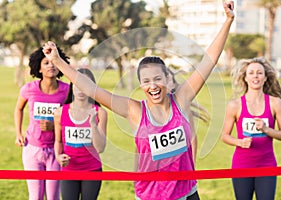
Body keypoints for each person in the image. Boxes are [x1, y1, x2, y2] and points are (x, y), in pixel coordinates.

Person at [42, 1, 234, 199]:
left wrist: (228, 21)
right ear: (140, 85)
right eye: (146, 81)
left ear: (168, 80)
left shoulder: (182, 98)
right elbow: (91, 87)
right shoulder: (134, 110)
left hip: (186, 192)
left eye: (158, 79)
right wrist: (58, 62)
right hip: (151, 194)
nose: (153, 85)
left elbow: (208, 60)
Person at [221, 57, 281, 200]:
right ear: (245, 78)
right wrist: (239, 142)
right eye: (251, 73)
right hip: (242, 165)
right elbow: (225, 135)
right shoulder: (235, 105)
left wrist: (266, 129)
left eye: (259, 73)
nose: (255, 76)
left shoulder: (276, 103)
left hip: (267, 164)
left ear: (265, 78)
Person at [14, 46, 70, 200]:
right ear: (38, 67)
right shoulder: (29, 89)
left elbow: (73, 119)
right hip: (32, 149)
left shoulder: (67, 91)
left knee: (53, 197)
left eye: (54, 62)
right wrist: (18, 133)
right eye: (46, 63)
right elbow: (18, 109)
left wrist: (55, 126)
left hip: (56, 151)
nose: (51, 65)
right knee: (36, 197)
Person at [54, 68, 107, 200]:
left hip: (92, 170)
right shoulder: (60, 112)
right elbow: (58, 141)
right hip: (68, 171)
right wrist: (58, 156)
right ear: (72, 85)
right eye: (78, 84)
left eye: (85, 85)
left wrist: (93, 124)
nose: (81, 89)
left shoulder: (100, 113)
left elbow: (100, 148)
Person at [167, 68, 210, 163]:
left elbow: (192, 138)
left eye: (168, 81)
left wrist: (192, 165)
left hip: (181, 162)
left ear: (173, 84)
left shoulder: (182, 107)